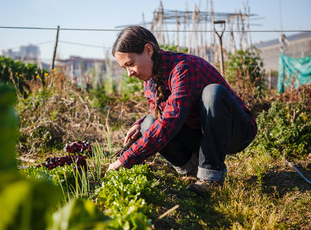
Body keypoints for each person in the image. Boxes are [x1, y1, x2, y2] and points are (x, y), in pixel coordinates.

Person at [107, 26, 257, 195]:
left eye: (130, 64)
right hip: (202, 135)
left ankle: (211, 177)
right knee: (149, 123)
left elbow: (171, 120)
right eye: (124, 68)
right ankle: (192, 170)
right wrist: (141, 123)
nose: (129, 74)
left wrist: (126, 159)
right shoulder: (149, 80)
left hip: (234, 131)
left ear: (148, 50)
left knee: (213, 93)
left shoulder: (183, 68)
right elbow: (168, 112)